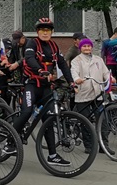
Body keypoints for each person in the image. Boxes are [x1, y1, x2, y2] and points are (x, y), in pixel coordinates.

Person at [11, 18, 72, 166]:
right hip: (31, 85)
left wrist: (71, 81)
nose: (45, 33)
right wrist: (40, 69)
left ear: (52, 32)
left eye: (48, 30)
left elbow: (63, 65)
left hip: (45, 87)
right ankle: (10, 140)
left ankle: (52, 155)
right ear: (38, 32)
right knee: (26, 112)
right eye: (42, 30)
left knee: (49, 119)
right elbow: (30, 59)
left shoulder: (53, 46)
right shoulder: (32, 44)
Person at [70, 38, 112, 120]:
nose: (87, 48)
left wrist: (110, 78)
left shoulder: (98, 59)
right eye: (84, 46)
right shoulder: (76, 60)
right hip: (83, 92)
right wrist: (77, 79)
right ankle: (86, 132)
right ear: (80, 48)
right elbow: (74, 71)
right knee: (85, 119)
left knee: (101, 118)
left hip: (97, 92)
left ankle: (101, 132)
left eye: (89, 46)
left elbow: (105, 72)